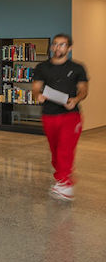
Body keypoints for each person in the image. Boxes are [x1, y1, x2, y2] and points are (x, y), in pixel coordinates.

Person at [32, 33, 88, 201]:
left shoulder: (78, 68)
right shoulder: (42, 67)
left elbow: (83, 90)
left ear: (69, 48)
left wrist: (76, 99)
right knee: (55, 152)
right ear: (51, 47)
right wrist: (38, 96)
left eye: (62, 45)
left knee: (65, 148)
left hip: (71, 115)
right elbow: (36, 88)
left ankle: (65, 183)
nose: (58, 47)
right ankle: (63, 177)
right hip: (49, 115)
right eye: (55, 44)